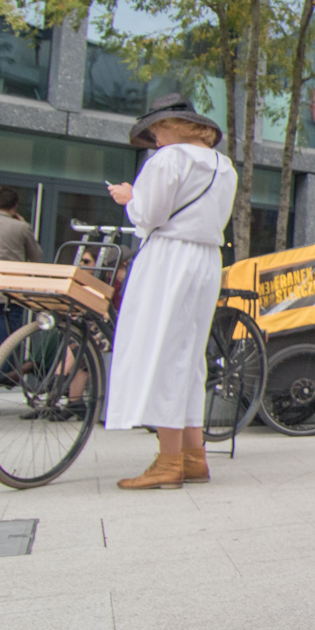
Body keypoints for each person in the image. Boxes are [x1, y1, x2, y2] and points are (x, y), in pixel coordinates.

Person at [105, 95, 238, 488]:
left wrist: (131, 198)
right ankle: (193, 456)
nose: (154, 139)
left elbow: (150, 216)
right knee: (188, 356)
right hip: (206, 260)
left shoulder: (167, 160)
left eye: (156, 130)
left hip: (169, 257)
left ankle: (168, 461)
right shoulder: (223, 166)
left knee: (161, 350)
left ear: (172, 126)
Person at [0, 185, 44, 410]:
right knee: (1, 347)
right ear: (14, 207)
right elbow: (37, 257)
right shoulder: (21, 227)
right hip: (7, 297)